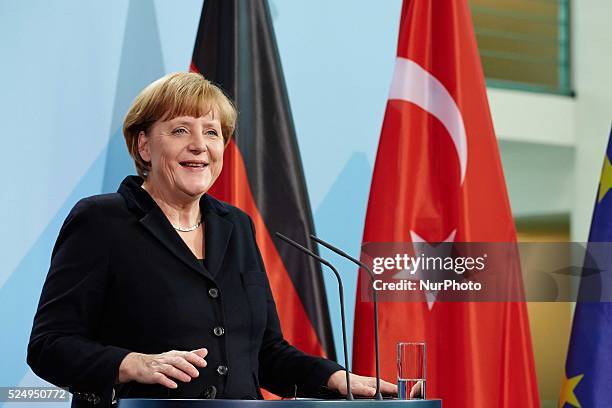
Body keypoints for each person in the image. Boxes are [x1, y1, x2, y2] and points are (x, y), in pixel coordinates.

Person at [27, 72, 396, 407]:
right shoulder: (102, 221)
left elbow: (264, 352)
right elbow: (48, 345)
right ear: (144, 147)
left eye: (211, 132)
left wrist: (333, 377)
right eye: (180, 130)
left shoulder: (235, 226)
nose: (199, 145)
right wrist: (131, 364)